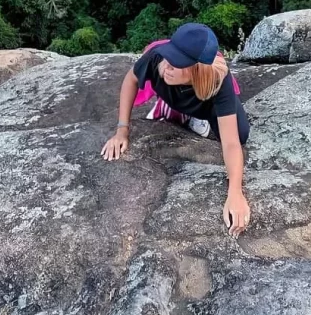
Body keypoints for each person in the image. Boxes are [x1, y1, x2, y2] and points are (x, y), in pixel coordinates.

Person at [101, 23, 251, 236]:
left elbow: (231, 143)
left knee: (241, 133)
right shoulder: (157, 58)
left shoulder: (218, 80)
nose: (167, 65)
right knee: (169, 85)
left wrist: (235, 192)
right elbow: (131, 80)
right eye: (169, 57)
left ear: (198, 67)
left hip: (205, 103)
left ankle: (186, 114)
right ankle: (170, 107)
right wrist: (122, 130)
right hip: (174, 96)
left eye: (176, 62)